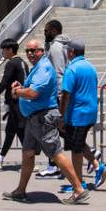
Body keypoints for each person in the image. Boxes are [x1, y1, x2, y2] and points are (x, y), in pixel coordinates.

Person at [1, 38, 90, 205]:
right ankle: (20, 191)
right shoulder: (38, 68)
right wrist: (21, 86)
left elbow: (34, 93)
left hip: (42, 118)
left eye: (34, 50)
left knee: (56, 153)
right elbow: (32, 87)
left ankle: (79, 190)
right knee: (27, 153)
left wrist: (17, 92)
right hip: (33, 119)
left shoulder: (44, 68)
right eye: (27, 50)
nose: (30, 53)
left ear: (42, 51)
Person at [59, 39, 106, 191]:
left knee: (76, 149)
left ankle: (78, 183)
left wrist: (61, 116)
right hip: (90, 112)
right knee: (79, 143)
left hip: (77, 114)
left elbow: (65, 95)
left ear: (71, 52)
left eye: (67, 51)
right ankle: (97, 166)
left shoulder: (72, 69)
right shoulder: (90, 67)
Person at [0, 38, 28, 169]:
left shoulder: (11, 63)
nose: (2, 52)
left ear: (10, 49)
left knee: (17, 132)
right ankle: (3, 158)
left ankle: (33, 160)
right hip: (21, 102)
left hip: (16, 102)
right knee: (15, 131)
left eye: (3, 49)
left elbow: (4, 82)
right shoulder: (22, 63)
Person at [37, 18, 71, 179]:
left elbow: (58, 73)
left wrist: (59, 95)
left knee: (51, 130)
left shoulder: (56, 48)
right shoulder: (62, 46)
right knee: (58, 130)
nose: (45, 33)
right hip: (59, 94)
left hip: (57, 95)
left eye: (46, 30)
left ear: (54, 30)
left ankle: (53, 166)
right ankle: (90, 153)